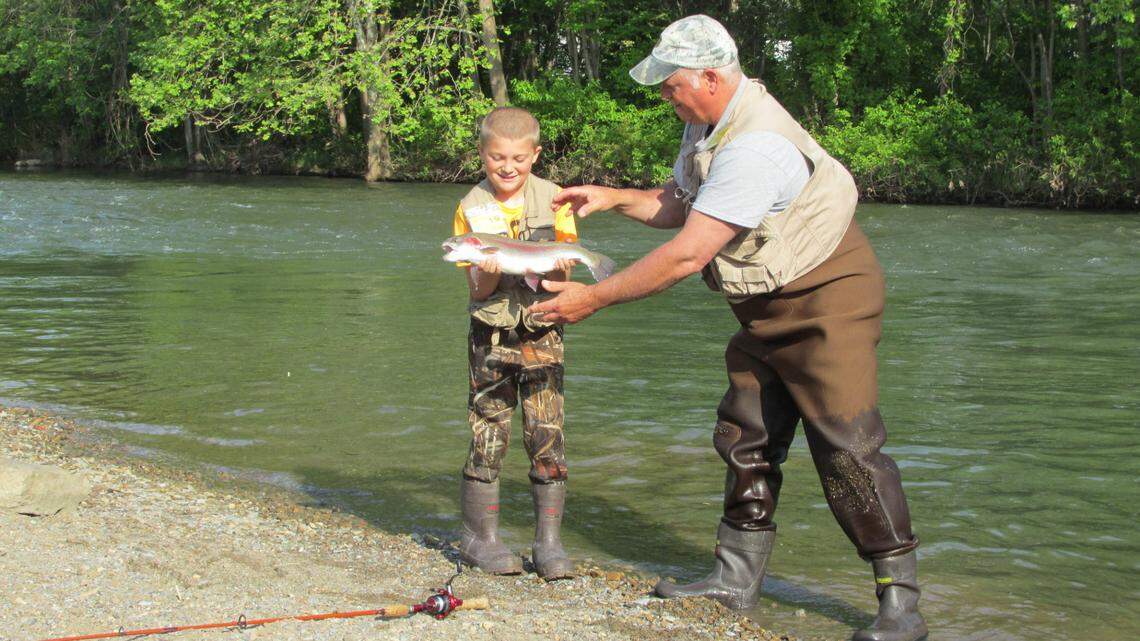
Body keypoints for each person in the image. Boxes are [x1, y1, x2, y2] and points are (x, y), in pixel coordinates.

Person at [528, 15, 927, 641]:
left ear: (710, 77)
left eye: (670, 84)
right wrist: (612, 196)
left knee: (848, 449)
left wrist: (592, 299)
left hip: (829, 303)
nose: (664, 95)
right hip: (766, 309)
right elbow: (682, 203)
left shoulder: (755, 146)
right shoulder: (707, 124)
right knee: (745, 435)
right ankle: (734, 580)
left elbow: (689, 254)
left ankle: (900, 605)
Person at [452, 106, 579, 581]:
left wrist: (554, 265)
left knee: (547, 435)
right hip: (491, 336)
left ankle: (548, 544)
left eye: (519, 159)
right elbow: (478, 293)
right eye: (497, 158)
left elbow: (563, 278)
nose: (508, 167)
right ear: (482, 155)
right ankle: (478, 538)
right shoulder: (470, 207)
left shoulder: (556, 201)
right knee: (490, 431)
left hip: (544, 329)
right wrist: (486, 273)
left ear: (535, 155)